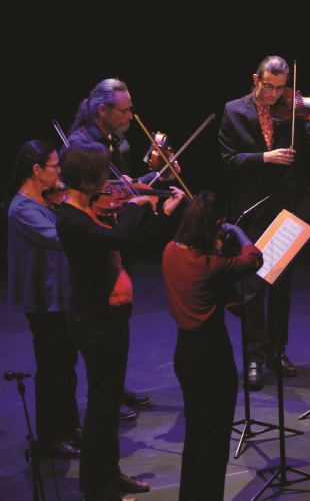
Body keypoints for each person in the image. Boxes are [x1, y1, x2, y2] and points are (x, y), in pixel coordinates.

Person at [56, 138, 184, 501]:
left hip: (110, 316)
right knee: (100, 408)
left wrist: (164, 213)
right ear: (91, 176)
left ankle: (110, 475)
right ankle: (96, 489)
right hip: (94, 319)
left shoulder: (91, 210)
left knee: (108, 405)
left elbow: (131, 243)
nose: (108, 179)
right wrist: (137, 206)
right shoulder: (72, 219)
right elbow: (119, 236)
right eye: (103, 172)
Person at [219, 54, 310, 385]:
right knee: (252, 290)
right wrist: (265, 157)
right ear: (255, 78)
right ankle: (254, 358)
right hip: (251, 212)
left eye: (280, 89)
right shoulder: (234, 111)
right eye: (268, 87)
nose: (275, 95)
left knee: (282, 287)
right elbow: (227, 161)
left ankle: (277, 351)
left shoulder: (295, 111)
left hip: (287, 209)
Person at [66, 78, 180, 418]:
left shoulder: (120, 142)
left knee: (121, 314)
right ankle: (106, 394)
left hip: (118, 229)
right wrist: (133, 198)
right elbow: (100, 192)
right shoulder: (79, 145)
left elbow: (125, 189)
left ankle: (115, 385)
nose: (132, 115)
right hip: (96, 238)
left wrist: (159, 177)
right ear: (103, 111)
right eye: (125, 109)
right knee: (104, 318)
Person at [161, 191, 263, 500]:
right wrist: (240, 232)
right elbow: (253, 258)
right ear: (217, 224)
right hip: (211, 354)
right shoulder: (210, 264)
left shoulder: (170, 250)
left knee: (196, 435)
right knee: (216, 440)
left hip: (185, 353)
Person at [5, 140, 81, 458]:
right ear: (37, 170)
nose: (60, 171)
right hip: (44, 301)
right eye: (54, 166)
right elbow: (60, 239)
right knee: (52, 369)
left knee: (67, 365)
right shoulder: (22, 208)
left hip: (61, 297)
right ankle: (50, 435)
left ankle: (70, 426)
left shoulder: (48, 201)